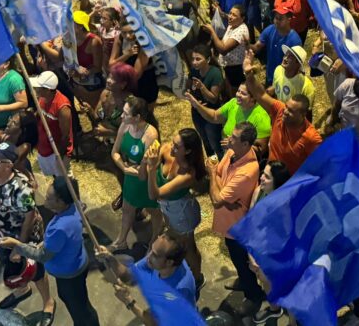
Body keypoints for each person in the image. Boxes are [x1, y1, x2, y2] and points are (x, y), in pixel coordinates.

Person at [0, 177, 100, 326]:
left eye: (48, 198)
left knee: (80, 310)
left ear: (61, 202)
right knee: (80, 303)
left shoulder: (59, 228)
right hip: (77, 261)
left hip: (69, 273)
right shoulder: (76, 206)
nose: (44, 201)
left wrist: (17, 245)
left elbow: (43, 256)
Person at [0, 143, 53, 315]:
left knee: (35, 271)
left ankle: (48, 301)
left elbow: (30, 216)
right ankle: (22, 289)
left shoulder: (22, 189)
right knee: (11, 265)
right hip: (2, 235)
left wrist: (20, 246)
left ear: (8, 166)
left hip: (25, 235)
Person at [210, 122, 263, 314]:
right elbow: (218, 172)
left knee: (243, 260)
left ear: (246, 144)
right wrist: (223, 192)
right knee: (237, 259)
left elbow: (217, 199)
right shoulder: (233, 152)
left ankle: (253, 295)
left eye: (233, 138)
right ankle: (244, 279)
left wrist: (216, 185)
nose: (228, 139)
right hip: (228, 221)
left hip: (237, 227)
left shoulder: (247, 171)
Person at [144, 127, 207, 286]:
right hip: (169, 209)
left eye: (177, 147)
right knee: (178, 244)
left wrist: (151, 169)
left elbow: (155, 194)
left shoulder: (187, 173)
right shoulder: (166, 149)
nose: (171, 147)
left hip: (182, 213)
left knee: (188, 247)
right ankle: (184, 273)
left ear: (188, 151)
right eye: (173, 143)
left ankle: (197, 277)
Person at [243, 50, 322, 174]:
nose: (285, 112)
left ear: (302, 115)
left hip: (290, 184)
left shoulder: (311, 137)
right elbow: (260, 94)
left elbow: (319, 165)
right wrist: (249, 73)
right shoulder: (280, 110)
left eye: (290, 111)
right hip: (269, 177)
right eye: (286, 107)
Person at [110, 96, 164, 252]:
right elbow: (114, 152)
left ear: (137, 117)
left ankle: (154, 238)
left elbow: (146, 169)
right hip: (131, 174)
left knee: (154, 210)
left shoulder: (151, 134)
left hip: (147, 178)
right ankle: (121, 240)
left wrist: (134, 169)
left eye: (126, 114)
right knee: (127, 208)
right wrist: (123, 168)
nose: (121, 116)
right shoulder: (125, 126)